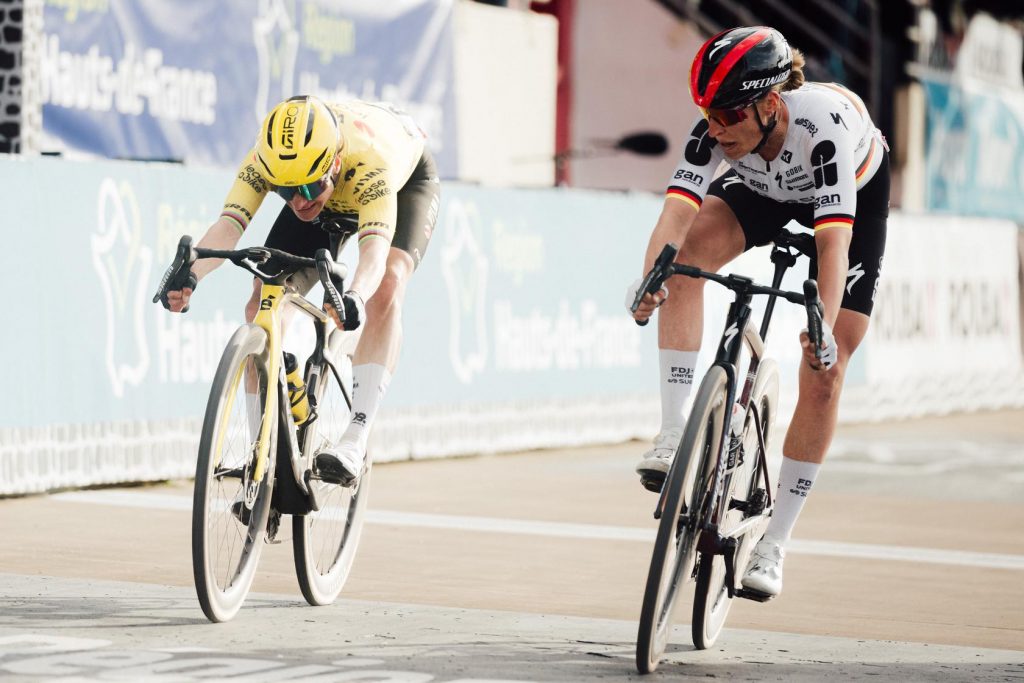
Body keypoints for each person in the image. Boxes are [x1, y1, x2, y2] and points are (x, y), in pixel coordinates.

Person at [628, 26, 888, 597]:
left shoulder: (822, 133)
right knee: (684, 258)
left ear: (771, 105)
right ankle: (674, 433)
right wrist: (652, 280)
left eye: (728, 117)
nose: (716, 131)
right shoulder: (717, 133)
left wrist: (820, 328)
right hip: (767, 189)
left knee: (827, 369)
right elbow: (673, 220)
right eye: (708, 117)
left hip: (848, 200)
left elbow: (832, 246)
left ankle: (774, 544)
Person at [163, 95, 440, 487]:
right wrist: (191, 275)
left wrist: (355, 297)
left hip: (405, 181)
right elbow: (228, 226)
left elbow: (374, 256)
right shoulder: (271, 160)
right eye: (284, 190)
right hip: (332, 183)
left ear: (334, 164)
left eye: (308, 188)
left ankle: (355, 438)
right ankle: (264, 448)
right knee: (262, 299)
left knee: (389, 284)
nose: (297, 201)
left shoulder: (372, 163)